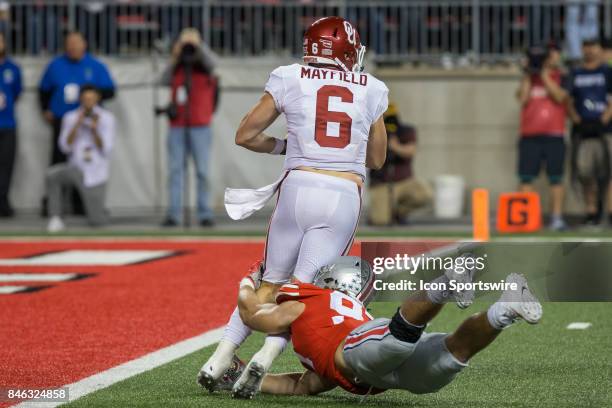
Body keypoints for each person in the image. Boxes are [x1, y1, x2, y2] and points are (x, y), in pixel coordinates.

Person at [198, 16, 388, 395]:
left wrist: (289, 147)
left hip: (297, 187)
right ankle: (264, 360)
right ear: (347, 52)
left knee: (270, 283)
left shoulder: (289, 76)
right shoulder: (372, 88)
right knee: (302, 292)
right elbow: (378, 158)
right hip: (340, 193)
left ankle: (219, 357)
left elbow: (246, 135)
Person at [229, 255, 541, 398]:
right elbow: (303, 386)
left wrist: (248, 280)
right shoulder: (352, 313)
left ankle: (446, 284)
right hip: (385, 375)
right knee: (451, 356)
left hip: (360, 350)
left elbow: (253, 314)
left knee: (396, 339)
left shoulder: (307, 298)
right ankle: (505, 309)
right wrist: (243, 376)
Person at [39, 31, 115, 215]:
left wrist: (90, 102)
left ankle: (85, 204)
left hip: (89, 123)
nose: (73, 46)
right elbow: (44, 90)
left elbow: (110, 90)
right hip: (64, 120)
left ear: (85, 44)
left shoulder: (95, 66)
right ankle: (54, 207)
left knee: (88, 163)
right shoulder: (56, 65)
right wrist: (45, 109)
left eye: (76, 42)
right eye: (69, 43)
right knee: (59, 161)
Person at [159, 28, 219, 228]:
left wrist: (198, 45)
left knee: (203, 171)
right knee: (175, 171)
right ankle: (174, 214)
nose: (188, 47)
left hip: (200, 125)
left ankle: (205, 213)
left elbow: (214, 64)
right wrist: (175, 54)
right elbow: (163, 79)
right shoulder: (177, 66)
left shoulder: (204, 65)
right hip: (177, 125)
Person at [46, 85, 115, 233]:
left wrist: (95, 130)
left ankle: (100, 213)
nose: (88, 102)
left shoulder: (107, 118)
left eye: (91, 99)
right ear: (80, 99)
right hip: (76, 168)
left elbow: (106, 150)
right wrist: (77, 125)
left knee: (97, 221)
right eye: (85, 99)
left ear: (97, 99)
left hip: (96, 172)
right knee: (53, 175)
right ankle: (55, 218)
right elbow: (64, 147)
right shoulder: (70, 117)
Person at [516, 42, 569, 231]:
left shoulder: (561, 76)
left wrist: (544, 74)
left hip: (554, 135)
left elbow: (560, 97)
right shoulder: (529, 78)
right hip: (529, 135)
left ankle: (556, 218)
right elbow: (522, 99)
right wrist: (529, 73)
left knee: (556, 178)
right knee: (526, 178)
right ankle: (525, 218)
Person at [566, 38, 612, 226]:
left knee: (609, 172)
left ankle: (610, 212)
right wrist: (576, 118)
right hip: (583, 130)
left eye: (594, 47)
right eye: (587, 47)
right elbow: (567, 99)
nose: (590, 51)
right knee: (585, 172)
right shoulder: (576, 73)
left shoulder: (607, 72)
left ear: (600, 50)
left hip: (606, 129)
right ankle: (591, 211)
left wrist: (604, 119)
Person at [368, 103, 432, 226]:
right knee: (381, 221)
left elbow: (411, 150)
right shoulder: (375, 131)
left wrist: (395, 147)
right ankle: (383, 211)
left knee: (425, 194)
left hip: (404, 180)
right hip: (381, 182)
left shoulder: (406, 131)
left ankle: (398, 212)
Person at [0, 32, 22, 217]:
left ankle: (3, 201)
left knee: (6, 165)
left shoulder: (12, 68)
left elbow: (16, 93)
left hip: (7, 124)